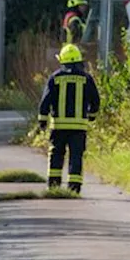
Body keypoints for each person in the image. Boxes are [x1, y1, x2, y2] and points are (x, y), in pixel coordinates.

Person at [38, 43, 100, 194]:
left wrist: (42, 120)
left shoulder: (55, 78)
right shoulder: (86, 78)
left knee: (56, 154)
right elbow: (95, 100)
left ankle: (53, 186)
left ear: (62, 60)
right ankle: (74, 188)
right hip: (78, 128)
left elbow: (46, 100)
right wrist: (91, 116)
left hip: (58, 126)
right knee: (76, 156)